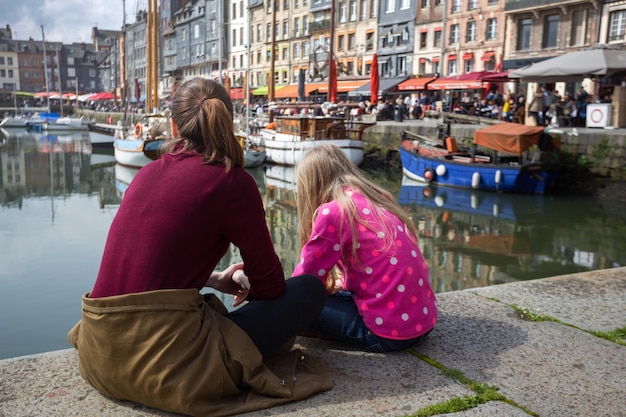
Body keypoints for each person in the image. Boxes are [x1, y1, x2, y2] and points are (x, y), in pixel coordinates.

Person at [67, 77, 330, 417]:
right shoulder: (232, 182)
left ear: (174, 124)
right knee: (308, 288)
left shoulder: (145, 175)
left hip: (99, 353)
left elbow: (141, 268)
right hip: (165, 369)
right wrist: (251, 284)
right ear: (227, 120)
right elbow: (271, 286)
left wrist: (210, 278)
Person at [293, 144, 438, 353]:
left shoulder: (333, 212)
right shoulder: (377, 198)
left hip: (387, 333)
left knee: (294, 305)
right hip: (424, 322)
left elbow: (303, 282)